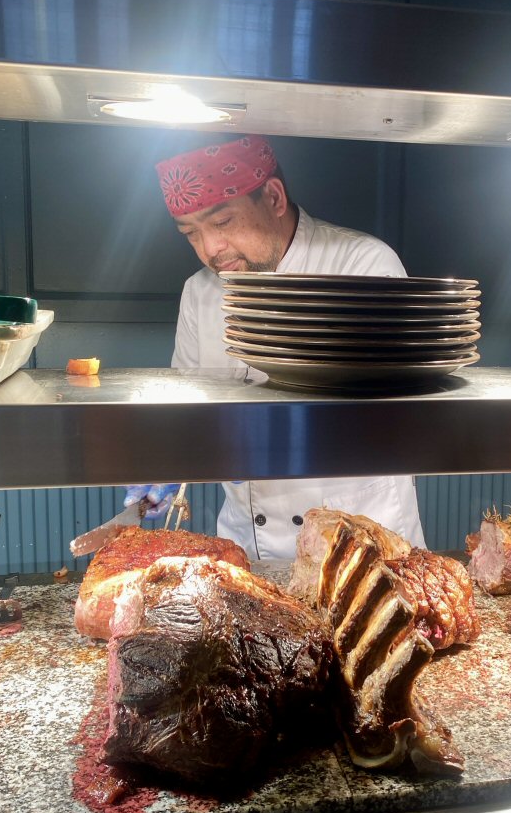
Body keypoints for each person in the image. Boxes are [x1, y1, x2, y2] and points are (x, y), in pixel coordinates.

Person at [125, 134, 426, 560]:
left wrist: (250, 440)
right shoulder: (200, 293)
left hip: (362, 548)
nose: (210, 249)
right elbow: (190, 411)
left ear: (273, 197)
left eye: (222, 222)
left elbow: (396, 422)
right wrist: (172, 455)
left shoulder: (363, 266)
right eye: (191, 233)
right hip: (248, 548)